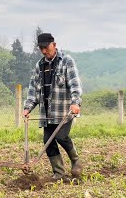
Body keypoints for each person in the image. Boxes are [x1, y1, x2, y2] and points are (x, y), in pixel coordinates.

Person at [23, 32, 83, 181]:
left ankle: (76, 161)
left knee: (61, 137)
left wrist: (76, 102)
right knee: (48, 141)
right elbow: (34, 89)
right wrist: (28, 107)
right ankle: (59, 173)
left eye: (46, 47)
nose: (44, 51)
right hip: (47, 112)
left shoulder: (66, 61)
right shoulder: (40, 65)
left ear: (54, 45)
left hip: (64, 111)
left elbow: (75, 83)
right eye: (41, 48)